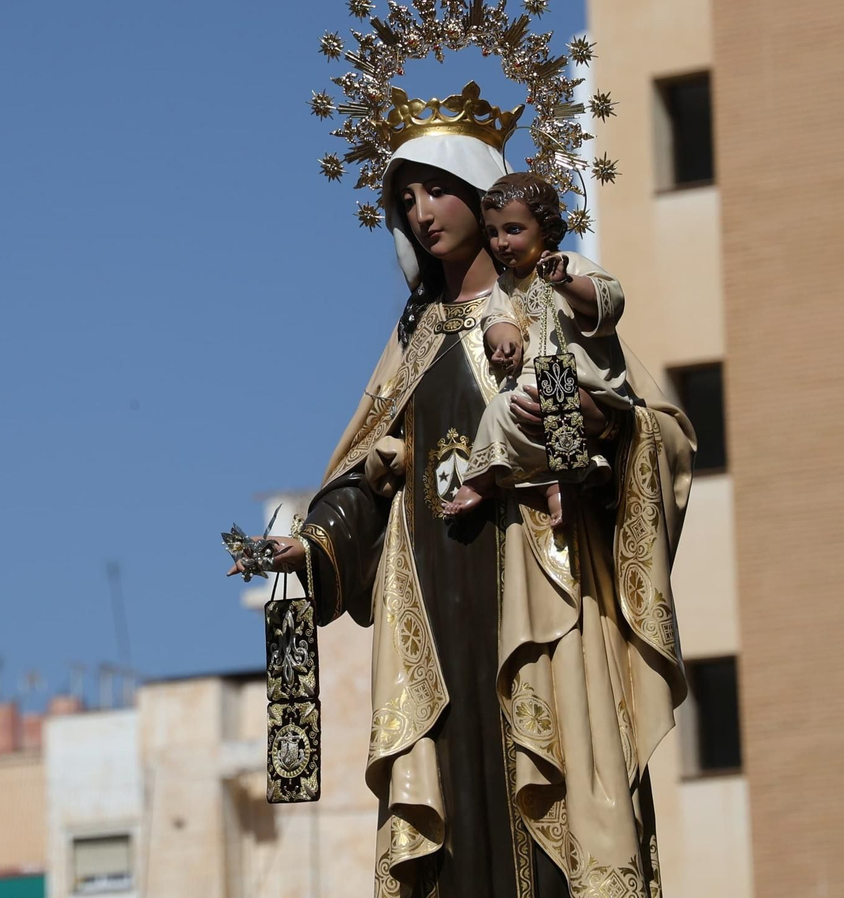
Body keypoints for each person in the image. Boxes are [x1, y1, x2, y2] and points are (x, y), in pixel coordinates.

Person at [226, 84, 695, 897]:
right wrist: (311, 541)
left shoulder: (548, 307)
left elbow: (656, 430)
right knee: (459, 810)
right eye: (405, 198)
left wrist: (604, 426)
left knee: (549, 800)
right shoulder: (415, 336)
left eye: (436, 189)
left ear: (485, 194)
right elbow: (371, 471)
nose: (420, 212)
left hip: (539, 593)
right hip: (436, 603)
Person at [442, 173, 636, 527]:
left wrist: (564, 282)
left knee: (555, 388)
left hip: (576, 375)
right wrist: (505, 342)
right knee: (503, 409)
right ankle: (494, 481)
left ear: (545, 227)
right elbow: (496, 318)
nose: (501, 242)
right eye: (493, 232)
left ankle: (567, 482)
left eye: (513, 229)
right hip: (529, 378)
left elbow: (608, 301)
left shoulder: (567, 263)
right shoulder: (507, 284)